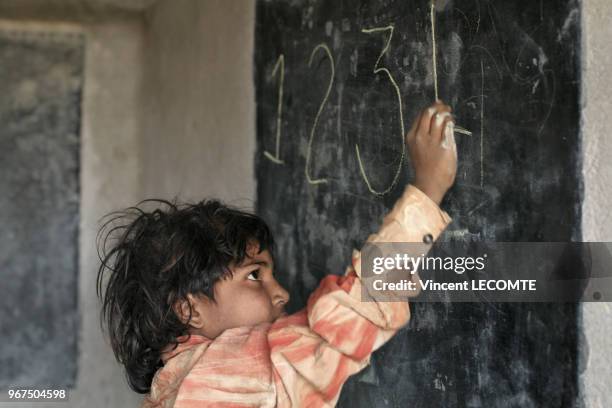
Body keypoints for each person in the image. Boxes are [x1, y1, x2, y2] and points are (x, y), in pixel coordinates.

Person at [96, 101, 457, 407]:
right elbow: (341, 325)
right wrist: (427, 192)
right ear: (189, 309)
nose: (281, 292)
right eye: (254, 275)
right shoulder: (226, 372)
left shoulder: (172, 388)